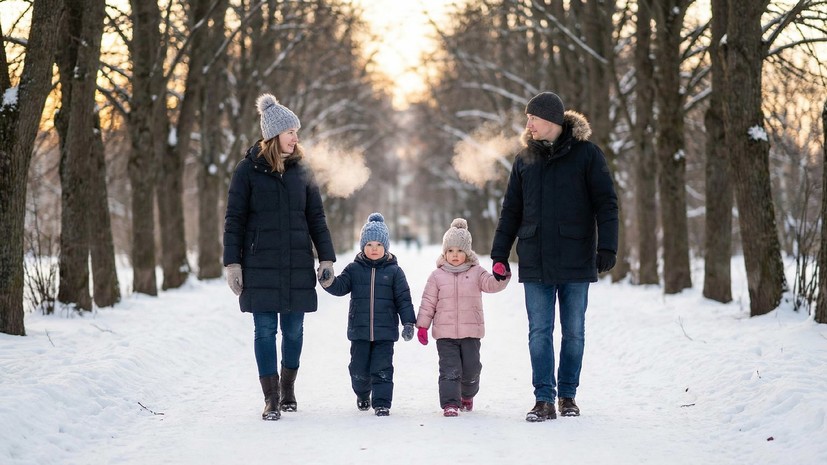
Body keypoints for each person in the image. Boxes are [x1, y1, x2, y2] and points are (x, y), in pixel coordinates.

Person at [490, 92, 619, 422]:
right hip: (535, 259)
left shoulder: (588, 155)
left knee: (574, 332)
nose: (528, 124)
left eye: (533, 117)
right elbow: (511, 211)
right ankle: (544, 399)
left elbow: (606, 204)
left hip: (576, 257)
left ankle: (568, 396)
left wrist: (608, 247)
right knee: (539, 332)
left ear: (551, 120)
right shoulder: (524, 160)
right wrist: (499, 254)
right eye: (528, 118)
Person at [223, 93, 336, 421]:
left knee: (294, 331)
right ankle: (271, 398)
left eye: (296, 132)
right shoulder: (246, 171)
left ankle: (288, 388)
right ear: (274, 135)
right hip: (259, 266)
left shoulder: (302, 171)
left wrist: (325, 259)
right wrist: (233, 264)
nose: (296, 138)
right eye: (290, 132)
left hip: (297, 263)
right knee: (264, 331)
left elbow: (317, 217)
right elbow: (234, 219)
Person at [320, 212, 416, 417]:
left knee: (382, 369)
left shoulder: (395, 272)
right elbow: (340, 287)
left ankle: (381, 403)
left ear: (386, 247)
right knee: (358, 371)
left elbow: (404, 299)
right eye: (370, 244)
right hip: (360, 331)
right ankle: (363, 394)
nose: (374, 249)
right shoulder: (354, 269)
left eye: (379, 245)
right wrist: (328, 281)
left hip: (385, 333)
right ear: (362, 246)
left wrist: (408, 322)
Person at [415, 218, 510, 417]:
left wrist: (501, 275)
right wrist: (422, 325)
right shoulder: (437, 276)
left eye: (459, 251)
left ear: (467, 253)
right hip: (445, 334)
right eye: (450, 251)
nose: (455, 255)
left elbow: (492, 285)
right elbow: (428, 302)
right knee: (449, 370)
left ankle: (467, 395)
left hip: (470, 333)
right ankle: (450, 403)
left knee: (471, 369)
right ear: (444, 253)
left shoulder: (477, 272)